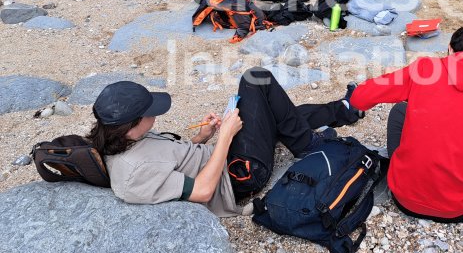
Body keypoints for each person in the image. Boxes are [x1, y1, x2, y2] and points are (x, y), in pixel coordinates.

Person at [88, 68, 364, 216]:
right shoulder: (134, 172)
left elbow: (173, 159)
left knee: (276, 112)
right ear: (133, 123)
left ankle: (344, 108)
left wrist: (203, 137)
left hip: (220, 157)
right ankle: (310, 144)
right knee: (256, 79)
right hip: (238, 177)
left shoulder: (123, 137)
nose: (156, 115)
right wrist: (225, 137)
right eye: (151, 112)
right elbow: (204, 191)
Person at [349, 24, 463, 222]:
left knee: (399, 111)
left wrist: (394, 78)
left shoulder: (424, 69)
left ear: (450, 49)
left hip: (404, 198)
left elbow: (358, 99)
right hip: (456, 209)